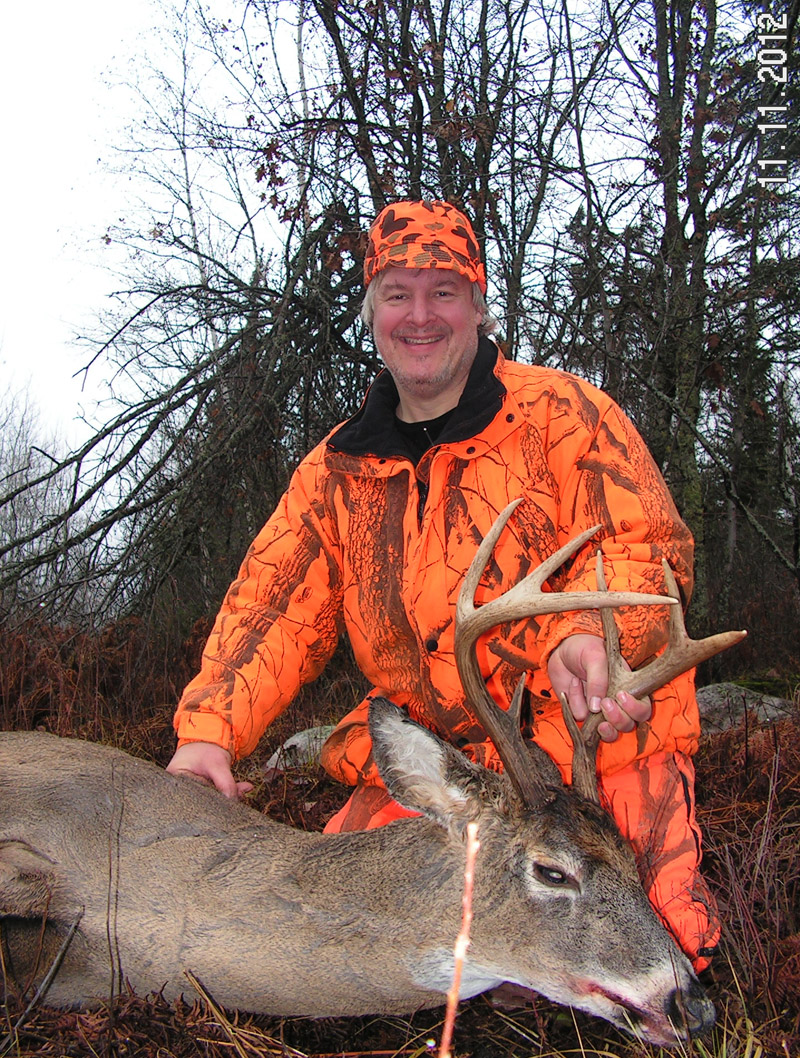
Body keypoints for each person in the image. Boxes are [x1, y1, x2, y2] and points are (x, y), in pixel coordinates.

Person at [167, 199, 720, 971]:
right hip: (444, 780)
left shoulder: (567, 416)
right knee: (333, 955)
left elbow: (645, 547)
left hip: (590, 756)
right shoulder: (337, 471)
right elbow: (272, 605)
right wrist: (208, 734)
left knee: (654, 964)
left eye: (443, 292)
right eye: (397, 294)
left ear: (478, 307)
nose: (419, 315)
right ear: (372, 313)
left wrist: (595, 636)